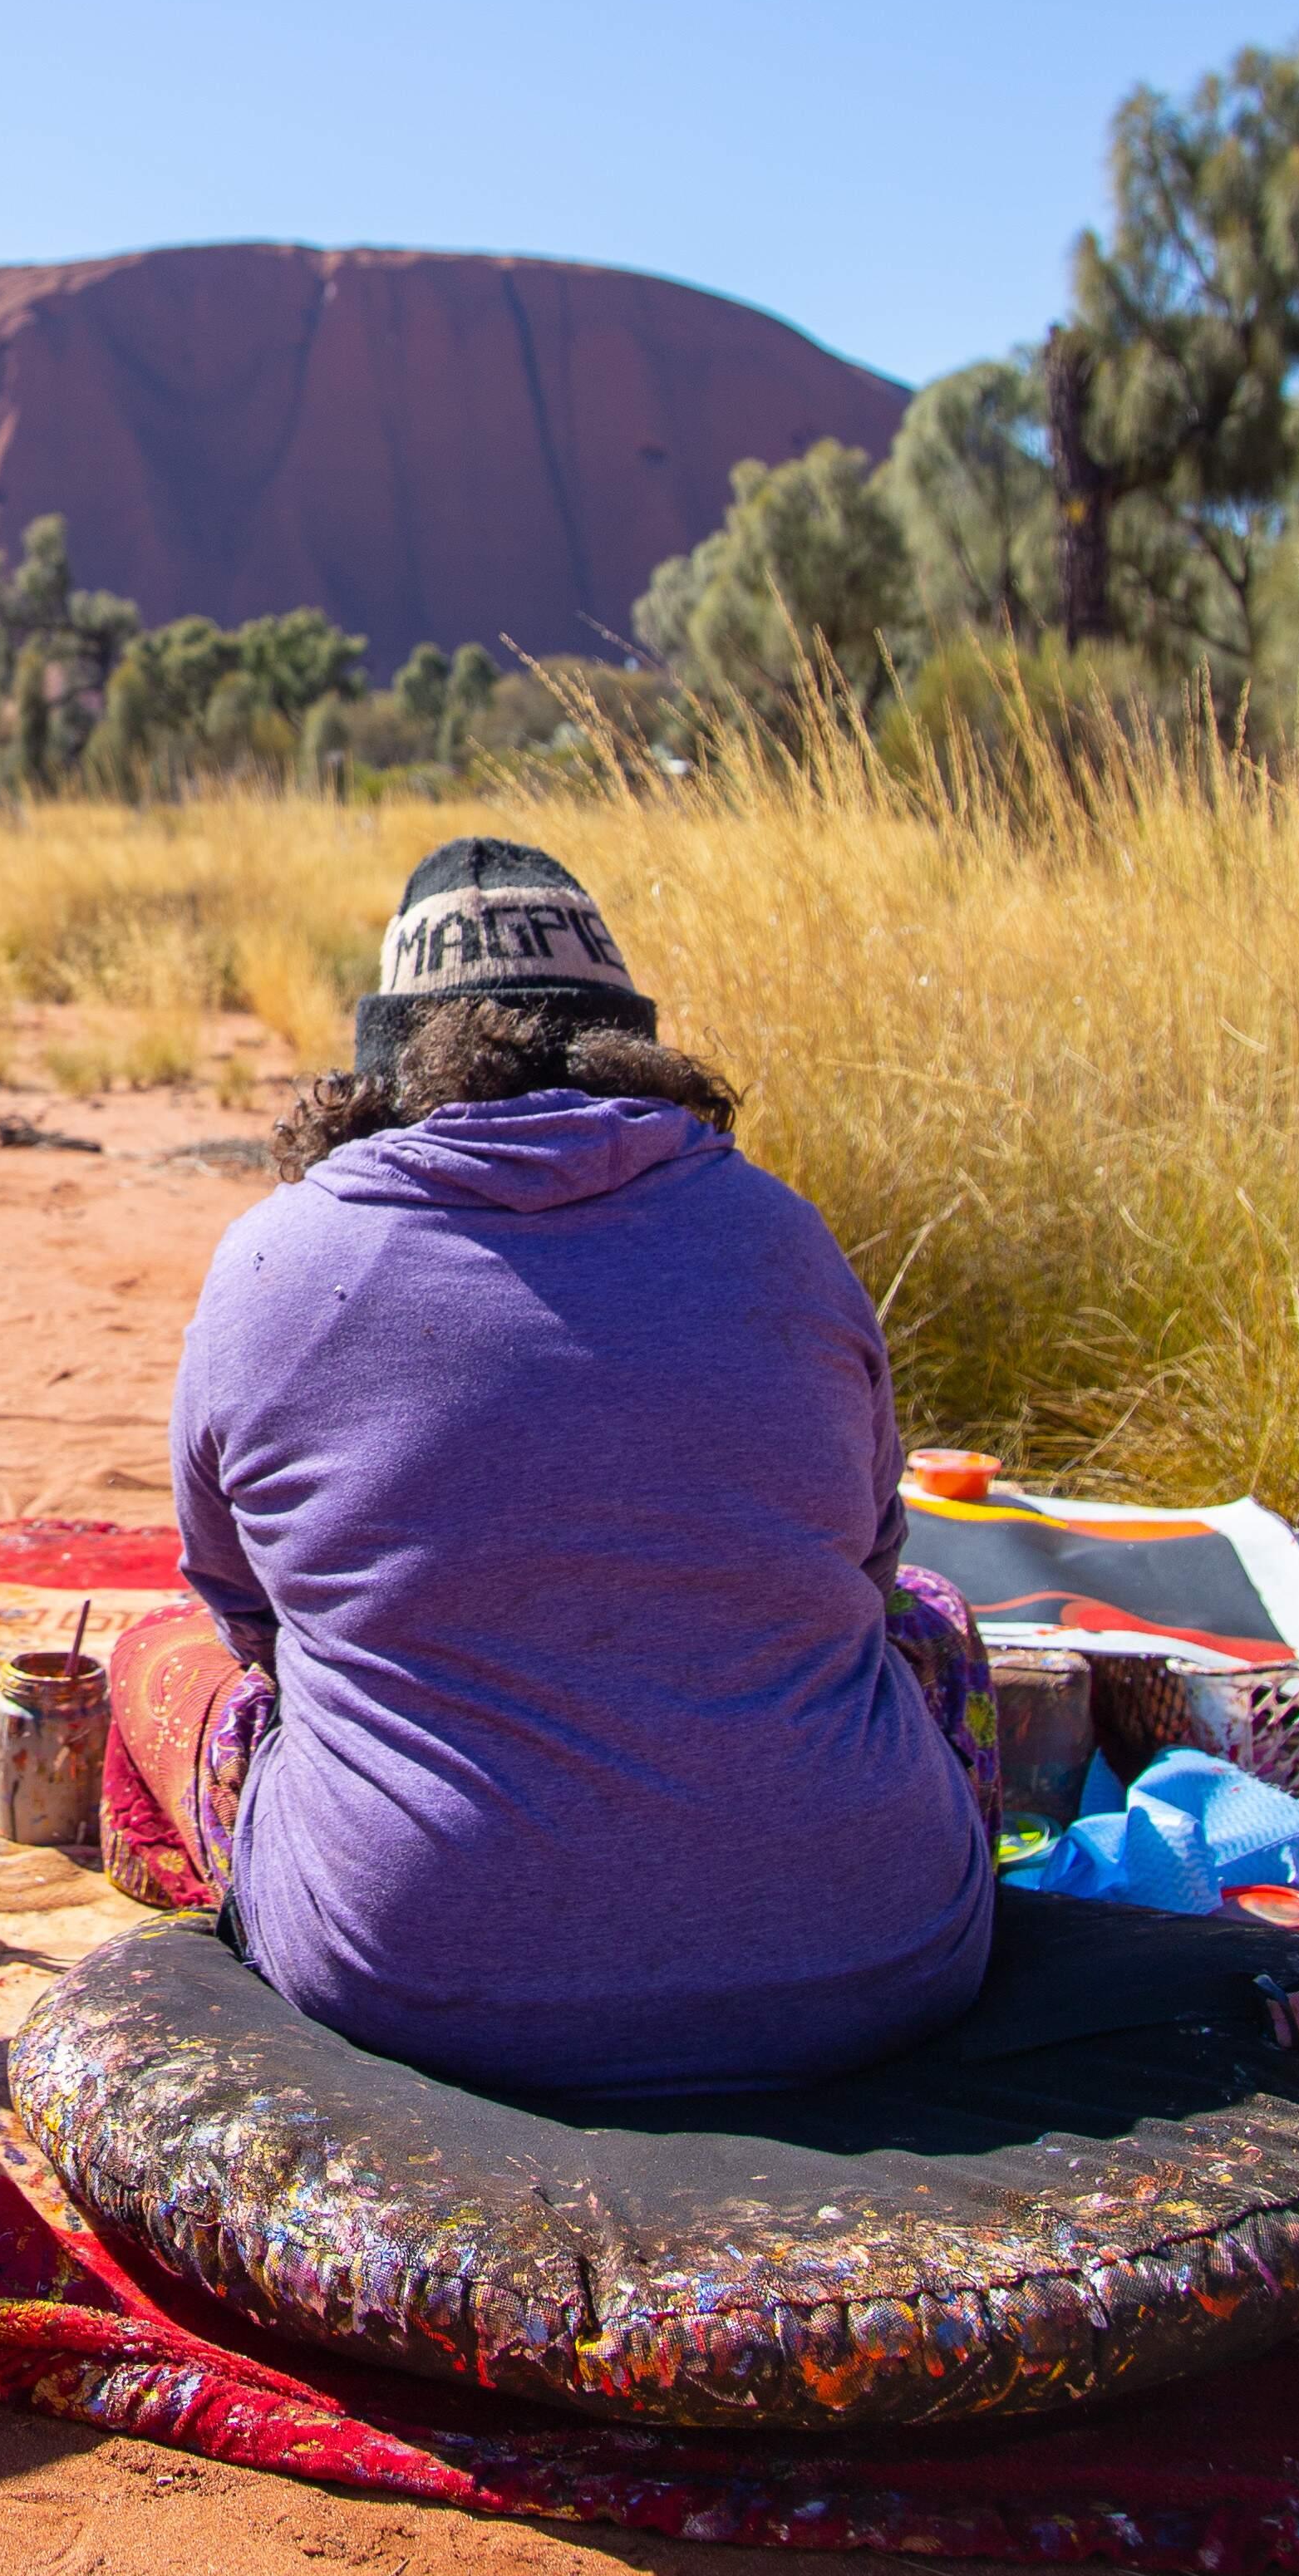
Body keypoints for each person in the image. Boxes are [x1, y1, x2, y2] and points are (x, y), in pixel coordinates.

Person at [102, 835, 996, 2097]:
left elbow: (246, 1615)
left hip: (420, 1983)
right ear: (626, 1044)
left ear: (390, 1065)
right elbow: (869, 1568)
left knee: (161, 1663)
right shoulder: (785, 1238)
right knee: (940, 1627)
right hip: (880, 1960)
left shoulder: (272, 1265)